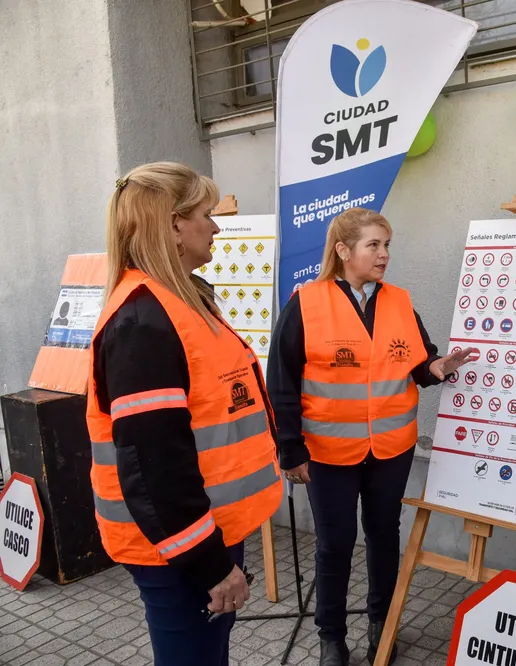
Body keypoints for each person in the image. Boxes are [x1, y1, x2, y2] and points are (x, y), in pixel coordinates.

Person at [87, 162, 283, 665]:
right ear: (174, 224)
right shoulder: (142, 323)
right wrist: (211, 565)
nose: (216, 226)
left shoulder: (179, 301)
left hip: (202, 535)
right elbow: (154, 468)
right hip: (180, 548)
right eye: (205, 214)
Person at [267, 207, 473, 666]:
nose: (383, 255)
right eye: (373, 245)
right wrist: (291, 447)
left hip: (391, 450)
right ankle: (331, 637)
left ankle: (382, 621)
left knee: (383, 536)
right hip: (328, 452)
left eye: (387, 246)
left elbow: (417, 361)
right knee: (335, 544)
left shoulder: (400, 301)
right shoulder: (306, 303)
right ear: (343, 250)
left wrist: (436, 369)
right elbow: (280, 380)